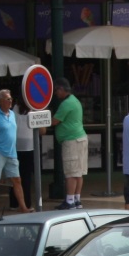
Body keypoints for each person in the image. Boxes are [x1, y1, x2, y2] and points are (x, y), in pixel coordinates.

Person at [0, 89, 31, 219]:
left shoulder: (12, 114)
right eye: (7, 99)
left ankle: (23, 207)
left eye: (11, 99)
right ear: (0, 101)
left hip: (11, 152)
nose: (11, 101)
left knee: (17, 179)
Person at [52, 80, 88, 209]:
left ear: (62, 89)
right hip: (80, 139)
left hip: (72, 141)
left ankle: (70, 201)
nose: (56, 93)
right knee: (78, 172)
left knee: (71, 172)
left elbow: (54, 121)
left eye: (56, 90)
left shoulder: (66, 104)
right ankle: (77, 199)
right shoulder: (75, 100)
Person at [9, 97, 38, 211]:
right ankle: (27, 203)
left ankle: (13, 203)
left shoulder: (13, 109)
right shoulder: (33, 110)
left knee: (15, 176)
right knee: (26, 177)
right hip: (29, 145)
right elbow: (42, 131)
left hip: (15, 145)